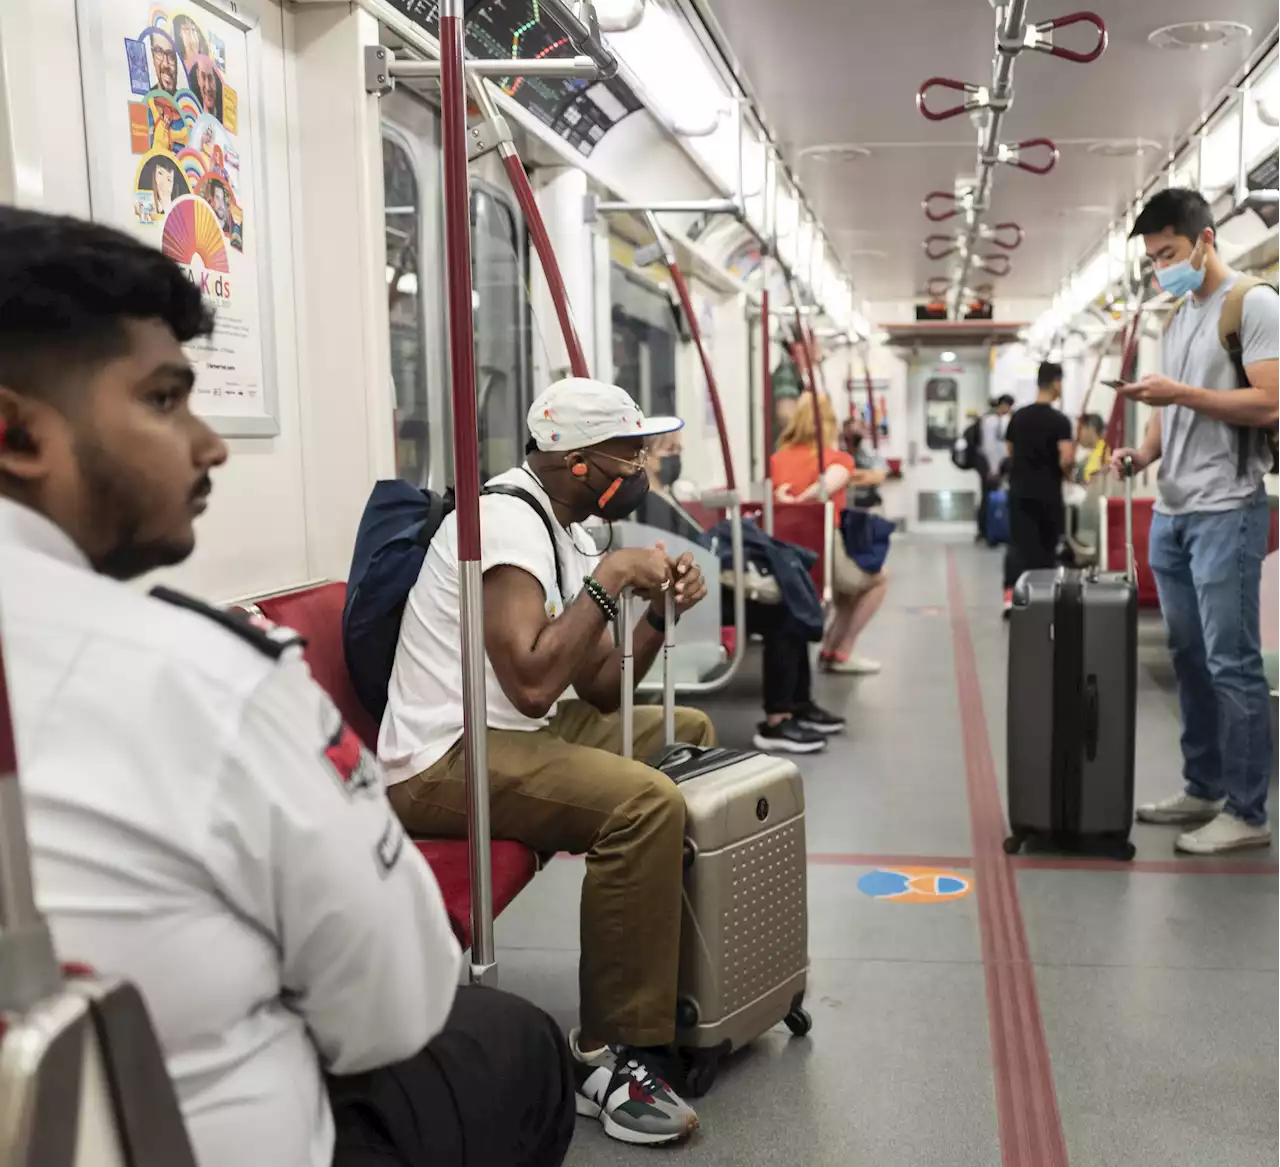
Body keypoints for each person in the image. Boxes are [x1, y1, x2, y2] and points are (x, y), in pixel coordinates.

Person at [0, 207, 575, 1167]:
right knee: (509, 1043)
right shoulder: (208, 679)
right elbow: (395, 1007)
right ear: (17, 432)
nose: (207, 444)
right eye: (164, 399)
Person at [381, 377, 715, 1146]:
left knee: (684, 729)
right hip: (440, 757)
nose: (638, 470)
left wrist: (658, 614)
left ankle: (677, 974)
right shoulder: (504, 522)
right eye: (625, 457)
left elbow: (598, 688)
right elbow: (533, 683)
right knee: (643, 803)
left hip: (522, 735)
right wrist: (607, 584)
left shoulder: (571, 532)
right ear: (574, 463)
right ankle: (607, 1048)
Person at [1110, 187, 1280, 854]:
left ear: (1206, 238)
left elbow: (1269, 404)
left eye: (1170, 253)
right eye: (1153, 259)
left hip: (1226, 509)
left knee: (1230, 662)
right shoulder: (1177, 317)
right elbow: (1169, 413)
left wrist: (1178, 392)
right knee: (1187, 657)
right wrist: (1142, 451)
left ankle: (1247, 810)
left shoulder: (1253, 305)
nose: (1162, 268)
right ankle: (1203, 784)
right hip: (1172, 512)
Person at [637, 431, 845, 754]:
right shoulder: (646, 502)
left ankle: (799, 704)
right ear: (646, 456)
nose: (676, 457)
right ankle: (777, 721)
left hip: (700, 583)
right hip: (686, 596)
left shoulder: (667, 495)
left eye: (679, 449)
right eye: (669, 450)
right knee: (781, 612)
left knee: (787, 601)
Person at [771, 392, 888, 674]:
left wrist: (790, 499)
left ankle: (831, 650)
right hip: (822, 549)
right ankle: (844, 649)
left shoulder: (777, 460)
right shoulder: (838, 460)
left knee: (847, 596)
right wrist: (805, 498)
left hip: (783, 554)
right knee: (877, 581)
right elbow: (828, 485)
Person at [1001, 363, 1074, 614]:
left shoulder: (1018, 417)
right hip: (1048, 494)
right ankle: (1041, 599)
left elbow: (1009, 451)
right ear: (1055, 383)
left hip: (1019, 492)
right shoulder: (1061, 421)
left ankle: (1011, 597)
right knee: (1045, 548)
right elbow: (1065, 459)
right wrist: (1071, 473)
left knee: (1018, 545)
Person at [977, 396, 1014, 544]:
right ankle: (986, 532)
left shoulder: (1002, 421)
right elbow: (989, 447)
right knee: (988, 498)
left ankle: (997, 529)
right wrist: (993, 469)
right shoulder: (990, 421)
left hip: (1001, 465)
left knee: (997, 497)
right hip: (990, 466)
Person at [1076, 412, 1109, 484]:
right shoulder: (1093, 454)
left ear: (1091, 429)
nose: (1078, 435)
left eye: (1080, 429)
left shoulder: (1105, 452)